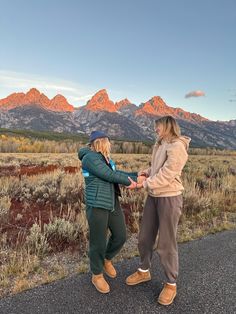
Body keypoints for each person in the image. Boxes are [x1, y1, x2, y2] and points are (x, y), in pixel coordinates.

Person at [126, 116, 191, 306]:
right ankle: (144, 271)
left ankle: (171, 283)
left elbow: (168, 174)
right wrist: (147, 172)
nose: (155, 129)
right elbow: (157, 168)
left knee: (166, 242)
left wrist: (143, 184)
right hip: (154, 197)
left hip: (169, 198)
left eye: (158, 126)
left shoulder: (177, 146)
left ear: (168, 126)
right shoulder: (160, 144)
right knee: (145, 237)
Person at [78, 131, 138, 294]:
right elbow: (109, 175)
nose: (109, 145)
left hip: (112, 202)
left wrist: (137, 176)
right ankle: (97, 275)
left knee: (120, 235)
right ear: (100, 142)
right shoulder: (90, 158)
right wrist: (129, 182)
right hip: (97, 204)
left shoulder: (105, 158)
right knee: (98, 242)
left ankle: (106, 259)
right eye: (107, 142)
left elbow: (117, 173)